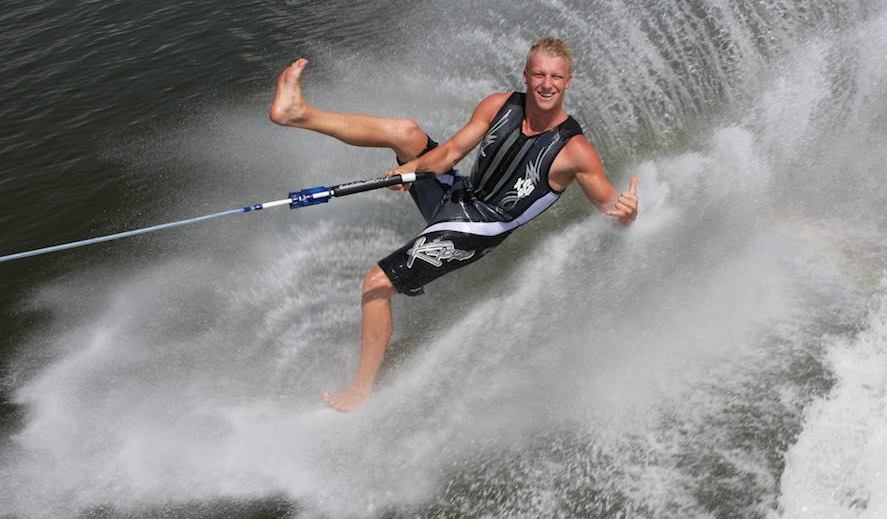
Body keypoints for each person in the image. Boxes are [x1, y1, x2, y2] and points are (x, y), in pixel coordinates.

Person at [269, 37, 639, 412]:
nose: (547, 84)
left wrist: (627, 214)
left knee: (377, 283)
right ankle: (298, 113)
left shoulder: (575, 152)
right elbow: (448, 154)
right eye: (539, 74)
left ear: (568, 82)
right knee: (405, 133)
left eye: (556, 77)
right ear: (526, 75)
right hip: (459, 193)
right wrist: (410, 168)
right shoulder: (499, 105)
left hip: (478, 228)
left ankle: (361, 391)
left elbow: (611, 210)